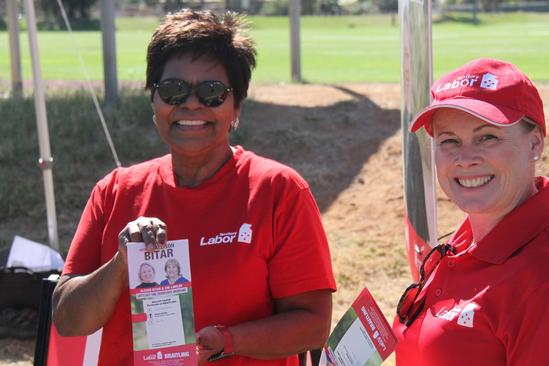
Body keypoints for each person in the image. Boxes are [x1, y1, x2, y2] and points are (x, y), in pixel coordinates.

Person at [51, 9, 336, 365]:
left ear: (237, 108)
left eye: (212, 91)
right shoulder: (115, 191)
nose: (191, 103)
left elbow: (313, 325)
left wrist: (227, 341)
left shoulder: (279, 191)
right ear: (153, 100)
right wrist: (120, 263)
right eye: (173, 90)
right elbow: (68, 320)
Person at [393, 58, 549, 365]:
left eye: (487, 137)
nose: (465, 158)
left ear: (535, 144)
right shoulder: (471, 236)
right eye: (449, 140)